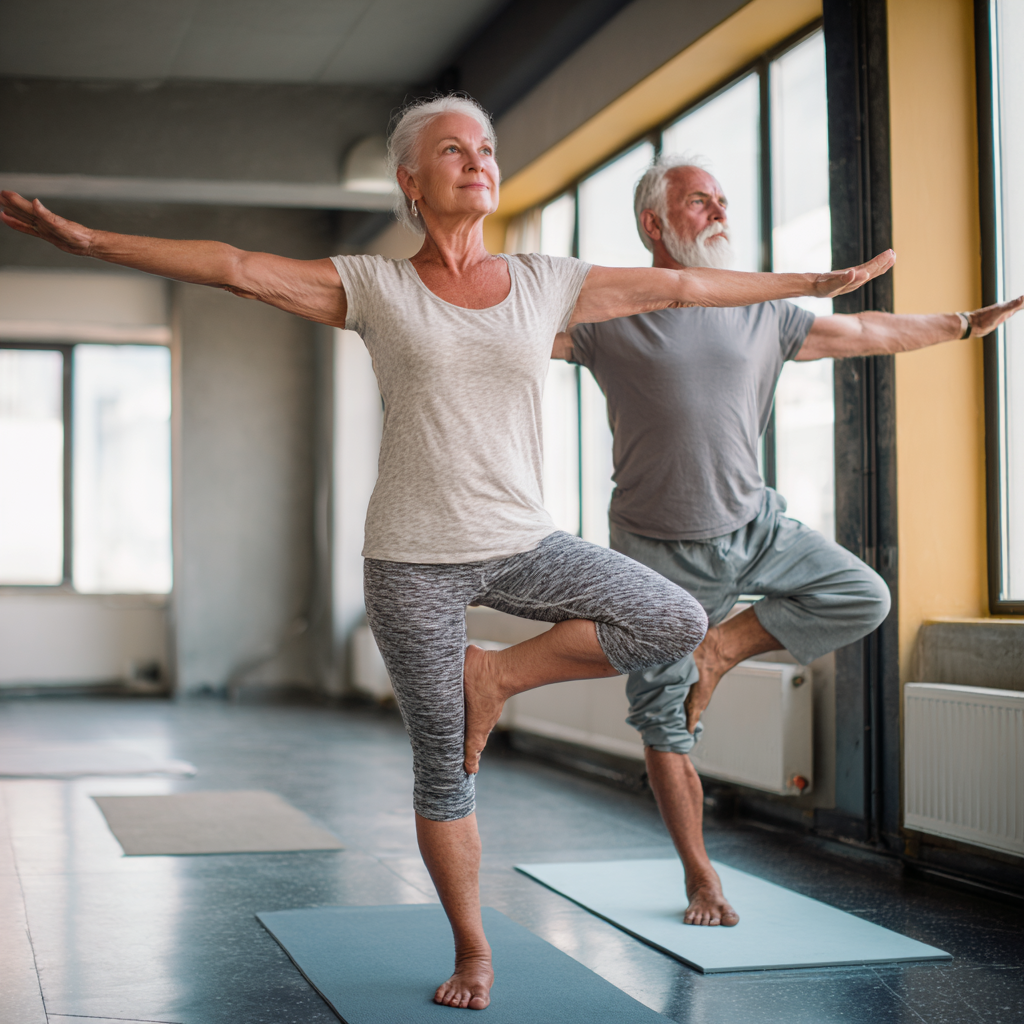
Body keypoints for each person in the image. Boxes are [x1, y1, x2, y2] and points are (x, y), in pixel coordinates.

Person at [0, 101, 894, 1012]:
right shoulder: (374, 286)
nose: (477, 161)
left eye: (487, 149)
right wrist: (87, 241)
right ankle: (473, 951)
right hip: (412, 562)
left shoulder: (548, 279)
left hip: (525, 543)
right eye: (452, 151)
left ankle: (496, 678)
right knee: (443, 768)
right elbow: (233, 266)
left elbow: (686, 291)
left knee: (674, 617)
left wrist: (813, 283)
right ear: (411, 183)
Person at [554, 154, 1024, 930]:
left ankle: (719, 650)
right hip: (657, 553)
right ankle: (701, 878)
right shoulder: (609, 317)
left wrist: (963, 325)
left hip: (756, 526)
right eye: (699, 202)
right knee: (665, 724)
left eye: (721, 200)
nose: (718, 211)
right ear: (654, 224)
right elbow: (503, 333)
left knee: (863, 595)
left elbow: (867, 330)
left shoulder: (763, 312)